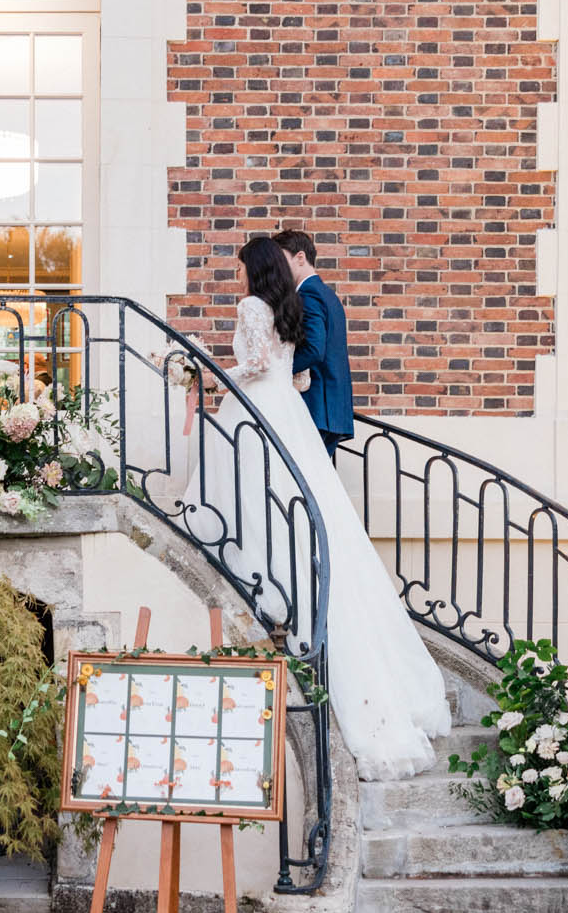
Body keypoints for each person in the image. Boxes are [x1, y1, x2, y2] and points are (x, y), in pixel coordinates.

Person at [193, 235, 451, 781]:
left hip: (260, 406)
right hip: (289, 411)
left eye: (241, 267)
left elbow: (260, 363)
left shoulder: (250, 306)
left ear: (254, 269)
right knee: (297, 503)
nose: (237, 275)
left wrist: (211, 375)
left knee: (253, 493)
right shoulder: (288, 305)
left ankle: (264, 575)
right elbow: (300, 372)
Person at [272, 229, 352, 455]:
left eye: (281, 260)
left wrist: (279, 371)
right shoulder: (326, 293)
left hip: (318, 404)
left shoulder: (308, 295)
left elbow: (315, 350)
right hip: (332, 407)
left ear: (300, 257)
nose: (278, 269)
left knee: (303, 482)